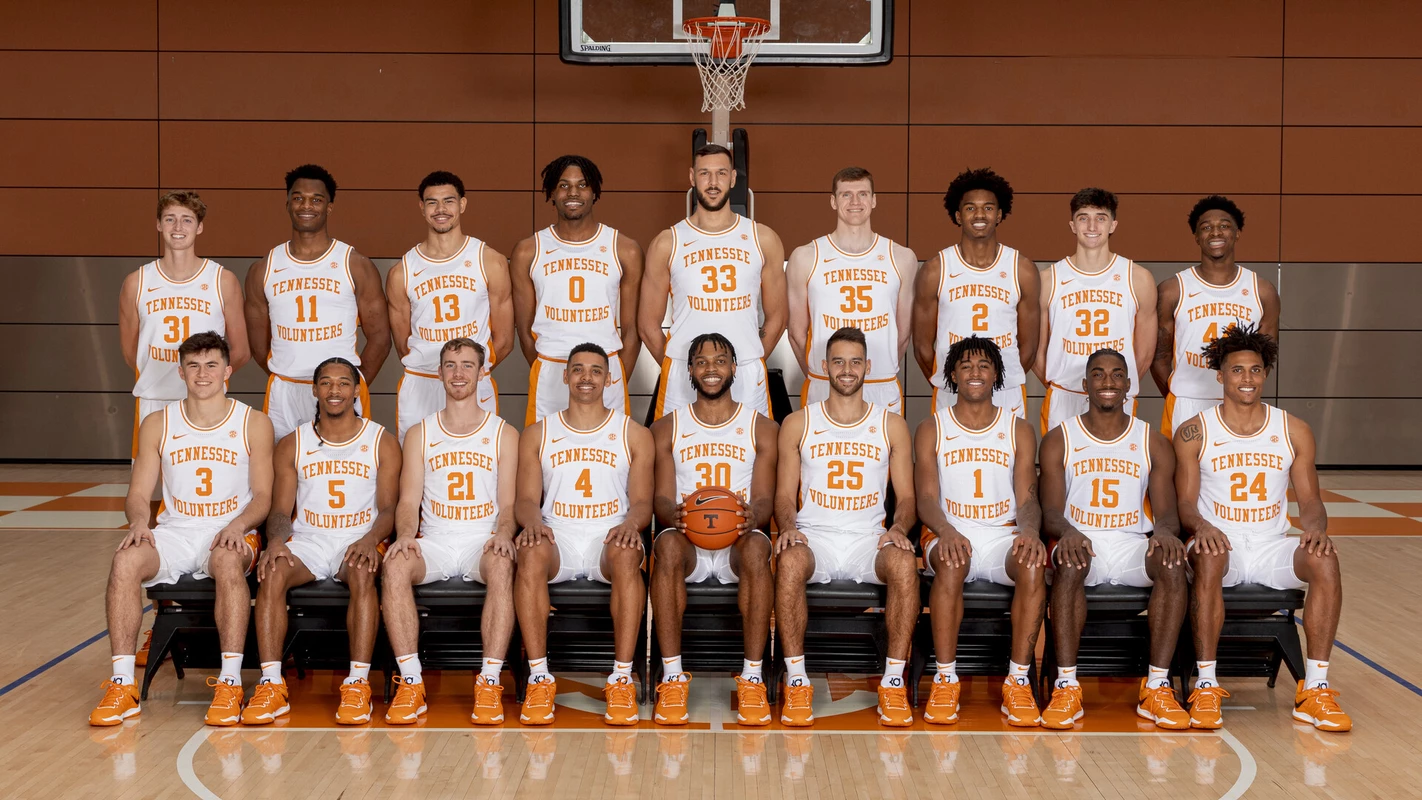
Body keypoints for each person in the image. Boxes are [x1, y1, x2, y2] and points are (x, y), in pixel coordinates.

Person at [1173, 324, 1350, 732]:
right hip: (1222, 545)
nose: (1247, 379)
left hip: (1272, 544)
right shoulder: (1194, 431)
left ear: (1265, 374)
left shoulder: (1293, 429)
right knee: (1211, 555)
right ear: (1220, 374)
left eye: (1255, 370)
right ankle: (1205, 684)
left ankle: (1315, 689)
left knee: (1325, 560)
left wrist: (1316, 529)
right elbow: (1184, 503)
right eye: (1237, 370)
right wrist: (1201, 526)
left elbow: (1309, 502)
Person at [90, 332, 273, 727]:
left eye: (211, 365)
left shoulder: (253, 422)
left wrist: (238, 525)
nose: (202, 374)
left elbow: (262, 497)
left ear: (228, 371)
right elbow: (137, 493)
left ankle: (229, 684)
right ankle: (123, 685)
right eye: (193, 365)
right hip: (174, 531)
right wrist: (140, 522)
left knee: (226, 563)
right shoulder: (158, 423)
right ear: (181, 371)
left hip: (229, 531)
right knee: (124, 561)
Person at [241, 357, 401, 726]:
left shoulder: (381, 441)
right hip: (309, 539)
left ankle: (358, 683)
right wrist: (277, 543)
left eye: (344, 383)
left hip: (358, 537)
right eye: (326, 383)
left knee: (362, 572)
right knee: (272, 571)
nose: (334, 390)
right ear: (314, 390)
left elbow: (390, 509)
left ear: (356, 390)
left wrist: (370, 538)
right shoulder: (293, 444)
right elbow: (281, 511)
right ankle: (270, 683)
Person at [773, 327, 918, 727]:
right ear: (825, 367)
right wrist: (787, 526)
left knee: (905, 566)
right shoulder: (799, 423)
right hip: (814, 535)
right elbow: (784, 494)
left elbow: (906, 498)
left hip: (866, 540)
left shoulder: (891, 425)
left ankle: (892, 683)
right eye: (838, 361)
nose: (847, 369)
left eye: (856, 361)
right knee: (788, 562)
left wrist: (900, 529)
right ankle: (798, 681)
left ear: (868, 367)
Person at [1038, 348, 1189, 730]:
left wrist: (1167, 535)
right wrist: (1069, 532)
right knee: (1071, 565)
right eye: (1100, 375)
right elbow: (1050, 513)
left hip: (1131, 543)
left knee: (1173, 563)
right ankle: (1067, 687)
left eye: (1117, 375)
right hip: (1079, 541)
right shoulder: (1060, 439)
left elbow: (1168, 514)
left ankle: (1156, 686)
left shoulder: (1151, 441)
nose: (1109, 382)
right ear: (1085, 384)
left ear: (1129, 385)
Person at [513, 344, 655, 726]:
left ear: (610, 379)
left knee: (628, 555)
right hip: (557, 535)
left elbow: (642, 502)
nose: (586, 377)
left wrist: (630, 525)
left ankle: (621, 679)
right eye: (578, 370)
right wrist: (532, 523)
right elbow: (525, 500)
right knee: (528, 552)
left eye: (595, 370)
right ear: (565, 376)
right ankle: (540, 678)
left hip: (608, 537)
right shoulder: (538, 433)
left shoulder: (633, 434)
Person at [380, 339, 519, 725]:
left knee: (504, 565)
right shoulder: (420, 434)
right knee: (393, 567)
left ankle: (489, 682)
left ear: (482, 372)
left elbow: (508, 506)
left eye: (467, 366)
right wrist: (406, 535)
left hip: (482, 539)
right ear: (439, 373)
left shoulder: (503, 433)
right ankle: (411, 684)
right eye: (451, 365)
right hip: (436, 540)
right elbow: (408, 502)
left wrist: (504, 534)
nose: (459, 373)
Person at [916, 336, 1047, 727]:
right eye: (967, 366)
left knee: (1032, 564)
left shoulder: (1019, 429)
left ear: (997, 375)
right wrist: (946, 530)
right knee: (952, 562)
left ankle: (1018, 681)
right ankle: (945, 678)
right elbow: (925, 499)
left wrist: (1028, 532)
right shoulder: (931, 428)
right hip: (948, 530)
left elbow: (1027, 498)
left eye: (984, 365)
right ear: (952, 374)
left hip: (1002, 533)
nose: (975, 372)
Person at [649, 333, 778, 726]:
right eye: (701, 362)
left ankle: (753, 677)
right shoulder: (666, 427)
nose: (710, 369)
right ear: (689, 370)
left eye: (720, 361)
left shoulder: (762, 428)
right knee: (666, 548)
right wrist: (673, 515)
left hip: (739, 538)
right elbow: (660, 498)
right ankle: (672, 677)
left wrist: (754, 516)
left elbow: (764, 499)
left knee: (759, 550)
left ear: (734, 368)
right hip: (688, 540)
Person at [244, 164, 391, 441]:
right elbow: (258, 345)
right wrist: (288, 373)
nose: (306, 205)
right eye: (298, 198)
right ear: (287, 203)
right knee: (284, 475)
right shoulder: (263, 269)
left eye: (316, 199)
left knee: (345, 471)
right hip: (284, 392)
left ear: (330, 206)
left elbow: (381, 339)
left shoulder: (355, 265)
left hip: (339, 390)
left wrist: (349, 387)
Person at [641, 144, 787, 418]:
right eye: (704, 173)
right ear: (692, 177)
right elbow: (648, 325)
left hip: (745, 372)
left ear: (733, 178)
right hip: (684, 375)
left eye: (720, 173)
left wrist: (748, 359)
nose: (712, 182)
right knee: (676, 456)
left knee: (752, 455)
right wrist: (683, 367)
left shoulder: (763, 239)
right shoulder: (667, 242)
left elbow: (778, 317)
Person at [511, 155, 644, 424]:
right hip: (551, 370)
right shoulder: (528, 251)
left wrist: (611, 376)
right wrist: (546, 369)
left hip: (605, 369)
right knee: (547, 459)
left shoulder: (624, 249)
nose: (573, 192)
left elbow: (632, 331)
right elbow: (525, 333)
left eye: (582, 185)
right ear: (551, 193)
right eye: (563, 185)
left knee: (610, 460)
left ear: (594, 192)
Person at [120, 191, 249, 456]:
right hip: (154, 401)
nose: (178, 227)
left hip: (207, 404)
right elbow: (131, 352)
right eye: (170, 219)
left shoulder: (222, 280)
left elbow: (241, 351)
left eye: (187, 220)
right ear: (158, 224)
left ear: (199, 227)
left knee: (203, 487)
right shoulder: (136, 282)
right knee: (151, 487)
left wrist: (206, 381)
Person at [387, 171, 514, 440]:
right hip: (421, 384)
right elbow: (402, 344)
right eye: (432, 202)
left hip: (472, 383)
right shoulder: (402, 271)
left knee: (480, 466)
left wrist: (468, 373)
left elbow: (503, 340)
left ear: (463, 205)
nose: (440, 209)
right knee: (416, 467)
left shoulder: (489, 261)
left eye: (449, 201)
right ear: (421, 208)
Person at [787, 166, 917, 415]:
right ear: (833, 201)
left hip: (881, 383)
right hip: (826, 383)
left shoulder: (901, 257)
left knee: (884, 454)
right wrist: (822, 373)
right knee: (818, 454)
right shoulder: (805, 257)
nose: (855, 201)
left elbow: (903, 334)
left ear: (874, 200)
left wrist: (880, 368)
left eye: (863, 194)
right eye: (846, 195)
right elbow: (795, 333)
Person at [912, 168, 1039, 417]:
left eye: (988, 208)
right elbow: (922, 347)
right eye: (970, 208)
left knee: (1008, 456)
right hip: (953, 388)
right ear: (958, 216)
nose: (980, 214)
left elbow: (1029, 347)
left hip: (1006, 390)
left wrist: (996, 381)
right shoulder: (935, 270)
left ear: (1000, 214)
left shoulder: (1022, 269)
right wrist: (956, 383)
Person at [1151, 195, 1280, 436]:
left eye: (1224, 225)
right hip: (1187, 400)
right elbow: (1159, 356)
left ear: (1237, 233)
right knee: (1181, 473)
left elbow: (1266, 357)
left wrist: (1243, 392)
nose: (1215, 232)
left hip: (1239, 404)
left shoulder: (1262, 290)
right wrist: (1176, 393)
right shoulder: (1172, 289)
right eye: (1206, 227)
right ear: (1196, 237)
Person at [1036, 188, 1156, 434]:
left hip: (1117, 397)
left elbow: (1143, 354)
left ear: (1113, 225)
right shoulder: (1049, 279)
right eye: (1083, 217)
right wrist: (1057, 384)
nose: (1092, 225)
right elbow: (1036, 351)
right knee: (1060, 468)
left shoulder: (1138, 278)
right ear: (1072, 225)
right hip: (1064, 394)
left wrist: (1115, 388)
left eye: (1100, 217)